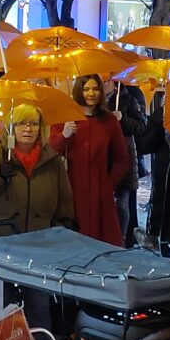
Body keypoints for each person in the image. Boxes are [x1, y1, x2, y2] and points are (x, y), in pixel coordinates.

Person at [0, 104, 75, 327]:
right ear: (10, 127)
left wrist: (62, 231)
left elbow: (64, 202)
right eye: (21, 123)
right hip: (1, 246)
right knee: (3, 307)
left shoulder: (52, 160)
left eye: (34, 123)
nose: (28, 129)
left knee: (39, 305)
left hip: (39, 248)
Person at [50, 74, 129, 246]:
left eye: (95, 89)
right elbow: (52, 150)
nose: (91, 94)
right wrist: (64, 135)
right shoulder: (65, 118)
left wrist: (109, 182)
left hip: (100, 190)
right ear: (79, 91)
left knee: (102, 239)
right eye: (86, 89)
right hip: (72, 188)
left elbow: (122, 158)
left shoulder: (109, 121)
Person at [103, 81, 146, 245]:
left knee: (121, 203)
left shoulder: (128, 98)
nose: (104, 83)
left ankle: (122, 240)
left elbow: (141, 126)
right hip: (103, 157)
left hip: (123, 158)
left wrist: (122, 119)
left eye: (107, 80)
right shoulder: (98, 101)